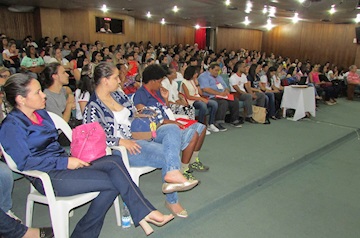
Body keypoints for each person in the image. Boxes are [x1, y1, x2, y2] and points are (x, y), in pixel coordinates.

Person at [0, 73, 174, 237]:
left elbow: (55, 146)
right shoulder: (12, 126)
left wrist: (70, 158)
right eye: (37, 92)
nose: (43, 95)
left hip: (64, 163)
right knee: (114, 182)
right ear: (21, 99)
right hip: (49, 176)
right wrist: (65, 163)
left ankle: (143, 212)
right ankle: (138, 214)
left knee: (114, 161)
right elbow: (25, 163)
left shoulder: (42, 115)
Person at [83, 62, 198, 218]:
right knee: (169, 154)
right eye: (116, 77)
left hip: (139, 134)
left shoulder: (118, 94)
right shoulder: (93, 107)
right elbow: (91, 137)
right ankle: (172, 199)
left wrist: (145, 113)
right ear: (105, 80)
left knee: (172, 129)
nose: (119, 81)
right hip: (123, 149)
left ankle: (172, 172)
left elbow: (132, 114)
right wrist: (120, 141)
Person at [133, 64, 209, 180]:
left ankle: (193, 160)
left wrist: (166, 98)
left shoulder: (157, 91)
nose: (161, 84)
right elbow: (145, 118)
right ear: (152, 81)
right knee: (193, 134)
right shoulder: (140, 94)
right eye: (159, 81)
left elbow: (165, 108)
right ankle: (183, 169)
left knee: (201, 128)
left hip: (169, 120)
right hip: (157, 128)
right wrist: (169, 122)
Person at [198, 62, 242, 131]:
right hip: (211, 96)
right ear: (210, 69)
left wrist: (226, 91)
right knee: (223, 102)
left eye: (218, 70)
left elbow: (226, 87)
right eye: (216, 70)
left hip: (222, 95)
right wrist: (219, 93)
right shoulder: (203, 76)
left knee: (234, 100)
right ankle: (217, 122)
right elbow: (205, 89)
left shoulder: (219, 77)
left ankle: (234, 120)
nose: (217, 72)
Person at [181, 66, 219, 134]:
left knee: (214, 104)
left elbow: (200, 93)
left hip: (198, 98)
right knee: (203, 105)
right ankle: (201, 126)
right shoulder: (184, 82)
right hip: (191, 101)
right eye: (195, 73)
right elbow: (188, 96)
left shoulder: (193, 80)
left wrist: (197, 84)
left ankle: (211, 124)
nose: (197, 74)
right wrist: (201, 99)